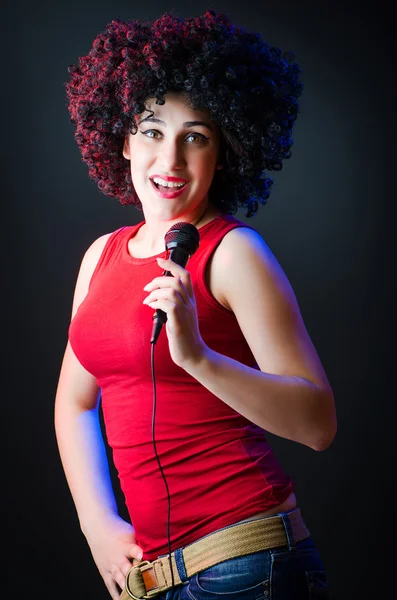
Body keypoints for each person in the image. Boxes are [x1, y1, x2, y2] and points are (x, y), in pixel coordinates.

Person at [55, 8, 337, 600]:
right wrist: (96, 524)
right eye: (154, 131)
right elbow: (75, 404)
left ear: (226, 150)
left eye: (196, 137)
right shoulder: (99, 258)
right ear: (124, 139)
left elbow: (317, 425)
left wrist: (199, 356)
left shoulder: (234, 253)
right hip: (152, 577)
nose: (172, 160)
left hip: (248, 561)